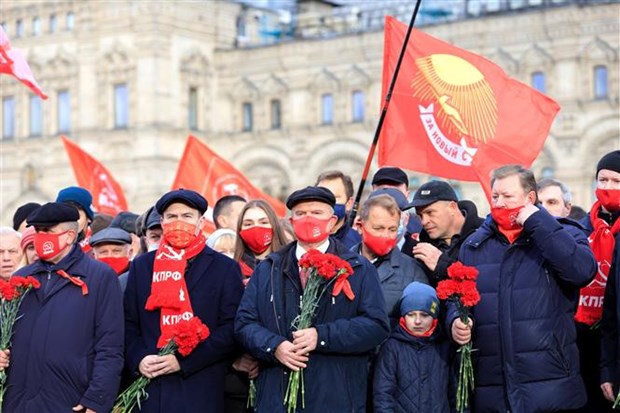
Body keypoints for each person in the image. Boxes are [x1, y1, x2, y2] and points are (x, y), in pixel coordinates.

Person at [450, 164, 596, 412]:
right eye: (495, 196)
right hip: (494, 387)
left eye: (508, 196)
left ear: (530, 198)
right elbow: (457, 297)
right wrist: (454, 320)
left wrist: (538, 222)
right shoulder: (474, 245)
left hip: (552, 384)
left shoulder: (566, 233)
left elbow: (581, 271)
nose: (500, 203)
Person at [235, 186, 389, 412]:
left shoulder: (358, 268)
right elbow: (244, 324)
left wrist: (322, 336)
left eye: (316, 213)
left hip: (335, 398)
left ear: (332, 221)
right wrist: (274, 346)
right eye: (301, 213)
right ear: (290, 220)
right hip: (278, 397)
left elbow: (376, 326)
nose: (308, 219)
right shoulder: (270, 267)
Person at [124, 189, 244, 412]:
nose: (178, 222)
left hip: (199, 387)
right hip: (150, 391)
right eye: (171, 217)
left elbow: (231, 328)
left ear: (201, 222)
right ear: (162, 222)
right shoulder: (142, 266)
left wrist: (183, 361)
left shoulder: (224, 268)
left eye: (187, 216)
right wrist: (139, 359)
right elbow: (129, 322)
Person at [4, 202, 124, 412]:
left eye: (48, 231)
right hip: (19, 402)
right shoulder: (21, 278)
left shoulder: (99, 277)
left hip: (70, 400)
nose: (41, 237)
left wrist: (97, 400)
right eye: (38, 231)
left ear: (69, 236)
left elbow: (110, 346)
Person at [374, 282, 454, 412]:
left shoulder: (445, 347)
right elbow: (382, 394)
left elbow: (457, 396)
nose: (417, 321)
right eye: (411, 314)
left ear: (434, 317)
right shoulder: (392, 347)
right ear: (403, 316)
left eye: (424, 315)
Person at [354, 189, 428, 328]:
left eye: (392, 229)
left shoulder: (413, 272)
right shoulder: (339, 265)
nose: (386, 235)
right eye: (379, 228)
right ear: (360, 226)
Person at [583, 150, 620, 412]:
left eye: (617, 182)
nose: (607, 187)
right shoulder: (581, 227)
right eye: (602, 180)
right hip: (586, 336)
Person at [405, 180, 483, 286]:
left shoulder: (486, 235)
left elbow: (488, 283)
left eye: (430, 212)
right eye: (420, 216)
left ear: (452, 207)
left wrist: (442, 264)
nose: (424, 221)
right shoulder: (420, 248)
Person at [234, 199, 289, 282]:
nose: (256, 227)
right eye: (248, 224)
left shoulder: (291, 263)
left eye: (264, 222)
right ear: (240, 229)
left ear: (274, 225)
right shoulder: (232, 269)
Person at [371, 167, 423, 245]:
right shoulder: (354, 234)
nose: (390, 197)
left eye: (396, 192)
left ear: (407, 195)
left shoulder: (421, 227)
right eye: (383, 190)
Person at [316, 170, 362, 249]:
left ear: (349, 204)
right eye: (321, 197)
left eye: (335, 198)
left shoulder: (358, 244)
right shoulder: (303, 240)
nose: (327, 202)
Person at [90, 227, 133, 292]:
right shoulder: (88, 280)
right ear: (94, 255)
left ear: (130, 253)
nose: (110, 256)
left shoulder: (138, 277)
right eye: (103, 252)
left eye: (116, 251)